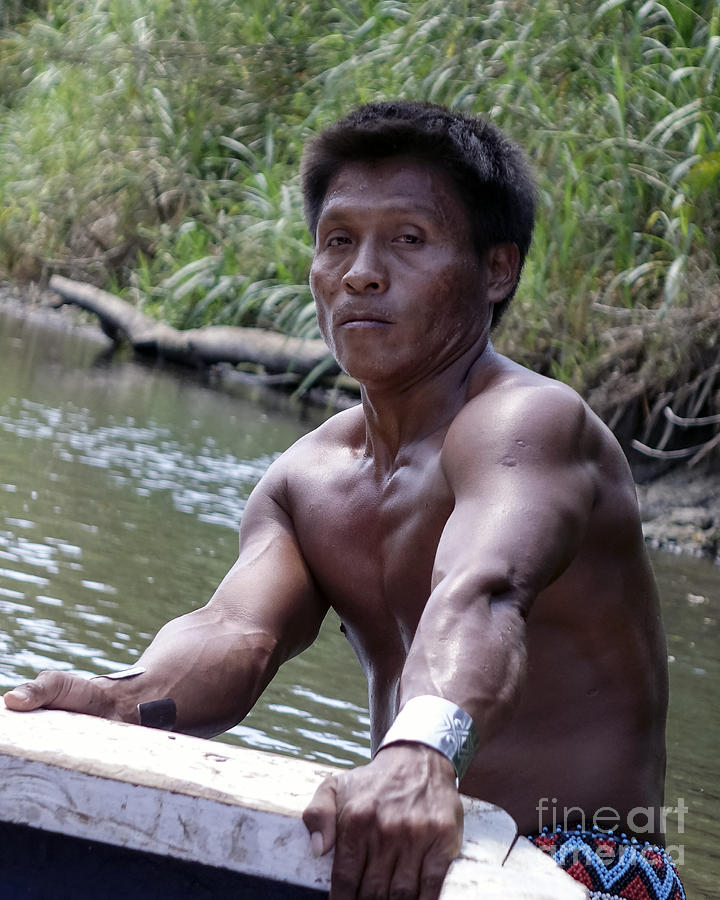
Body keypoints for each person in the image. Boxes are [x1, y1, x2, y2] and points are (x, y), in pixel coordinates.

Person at [4, 101, 685, 900]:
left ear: (496, 269)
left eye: (407, 240)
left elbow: (481, 591)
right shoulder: (307, 479)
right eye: (339, 241)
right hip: (399, 838)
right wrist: (123, 699)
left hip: (580, 862)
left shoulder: (530, 422)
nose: (362, 271)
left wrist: (421, 754)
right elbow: (237, 634)